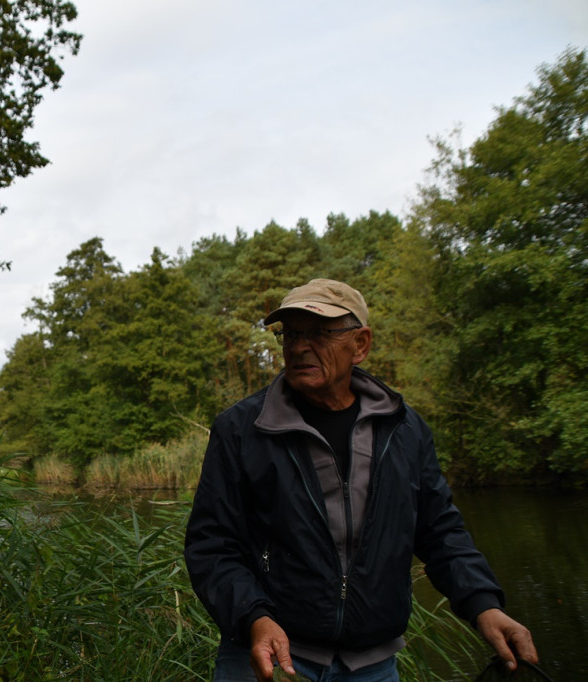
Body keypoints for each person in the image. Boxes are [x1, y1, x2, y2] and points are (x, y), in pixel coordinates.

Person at [183, 279, 538, 682]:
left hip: (373, 666)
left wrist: (484, 606)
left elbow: (440, 531)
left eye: (318, 333)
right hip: (269, 658)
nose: (299, 346)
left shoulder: (406, 430)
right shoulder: (241, 430)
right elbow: (211, 546)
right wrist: (254, 619)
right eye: (291, 334)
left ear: (361, 344)